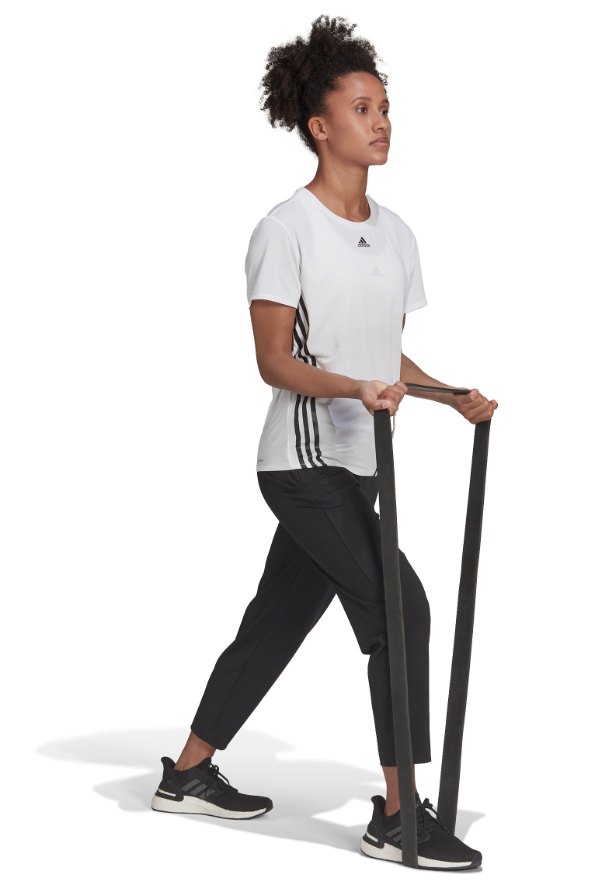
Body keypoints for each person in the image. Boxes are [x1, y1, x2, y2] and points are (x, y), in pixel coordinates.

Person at [150, 15, 497, 871]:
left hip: (361, 462)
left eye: (385, 107)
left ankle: (187, 772)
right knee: (400, 608)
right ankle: (395, 814)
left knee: (277, 619)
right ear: (318, 124)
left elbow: (381, 353)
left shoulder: (397, 232)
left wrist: (446, 394)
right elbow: (275, 361)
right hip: (303, 466)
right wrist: (356, 389)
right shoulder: (285, 229)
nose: (381, 122)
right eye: (361, 108)